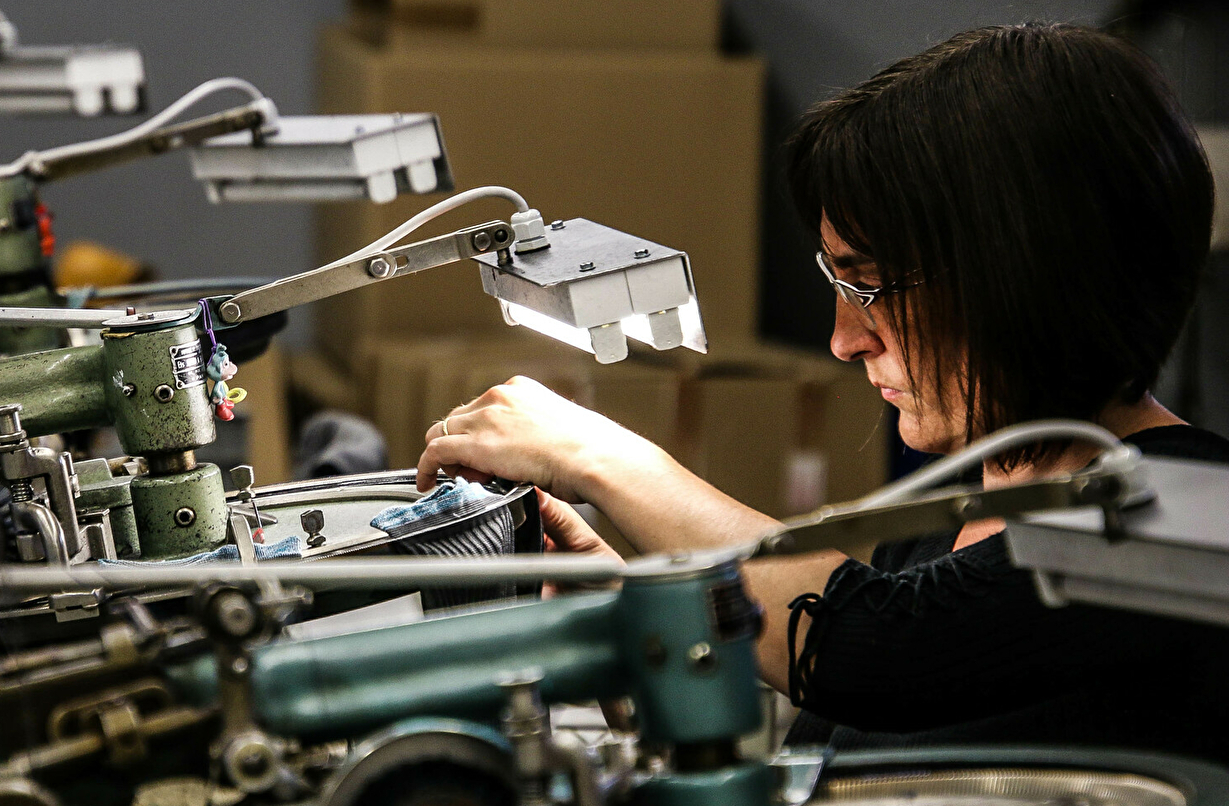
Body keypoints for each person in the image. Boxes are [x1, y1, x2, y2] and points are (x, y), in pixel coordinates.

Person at [414, 23, 1229, 763]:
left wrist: (597, 455)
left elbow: (874, 652)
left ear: (1021, 280)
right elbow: (838, 753)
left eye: (872, 285)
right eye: (838, 278)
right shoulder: (958, 505)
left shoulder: (1197, 516)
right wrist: (632, 618)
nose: (844, 338)